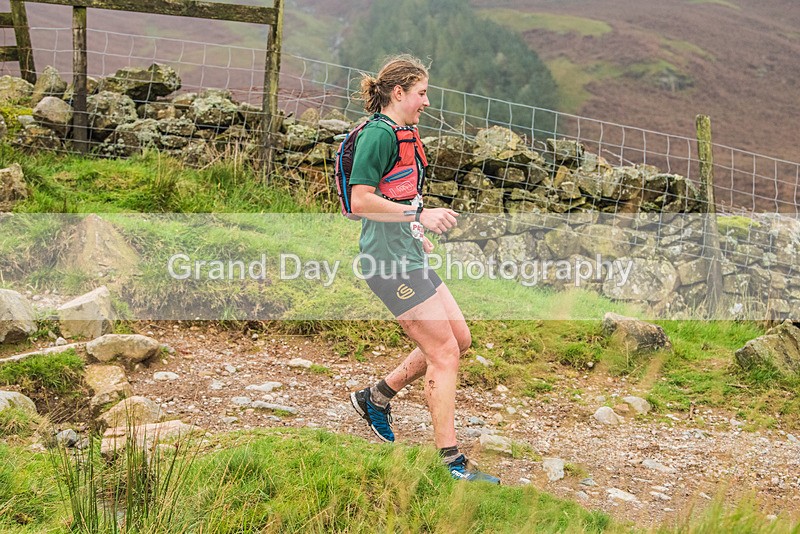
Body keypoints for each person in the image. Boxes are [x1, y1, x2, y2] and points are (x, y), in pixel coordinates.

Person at [347, 54, 499, 484]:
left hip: (408, 253)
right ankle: (451, 462)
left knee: (460, 339)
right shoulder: (379, 135)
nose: (427, 101)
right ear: (399, 93)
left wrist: (414, 226)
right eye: (421, 92)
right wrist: (420, 212)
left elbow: (391, 195)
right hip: (388, 264)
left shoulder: (405, 132)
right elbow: (360, 201)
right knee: (444, 352)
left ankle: (376, 397)